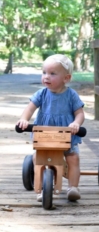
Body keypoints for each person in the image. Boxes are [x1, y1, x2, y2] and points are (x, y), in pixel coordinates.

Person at [17, 54, 85, 202]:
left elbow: (80, 113)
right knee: (38, 158)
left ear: (66, 78)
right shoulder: (41, 94)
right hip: (45, 136)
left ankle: (73, 187)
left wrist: (76, 124)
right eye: (44, 72)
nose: (46, 77)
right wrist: (24, 119)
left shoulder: (71, 95)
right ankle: (41, 188)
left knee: (73, 158)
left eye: (52, 74)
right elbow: (29, 109)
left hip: (67, 136)